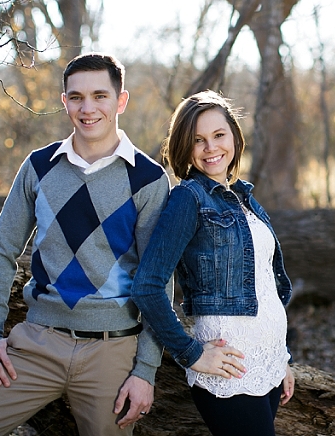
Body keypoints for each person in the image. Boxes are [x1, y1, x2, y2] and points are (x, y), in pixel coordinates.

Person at [0, 53, 171, 436]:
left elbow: (158, 280)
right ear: (64, 101)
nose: (88, 107)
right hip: (35, 345)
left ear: (121, 101)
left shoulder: (148, 179)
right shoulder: (39, 166)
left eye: (100, 95)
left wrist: (145, 370)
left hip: (111, 353)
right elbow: (1, 250)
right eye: (76, 97)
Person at [131, 90, 294, 436]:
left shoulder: (243, 197)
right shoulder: (187, 199)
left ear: (234, 136)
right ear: (185, 148)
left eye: (218, 135)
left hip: (268, 364)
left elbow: (265, 282)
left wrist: (281, 359)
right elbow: (146, 286)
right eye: (198, 140)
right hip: (228, 371)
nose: (211, 148)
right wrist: (189, 353)